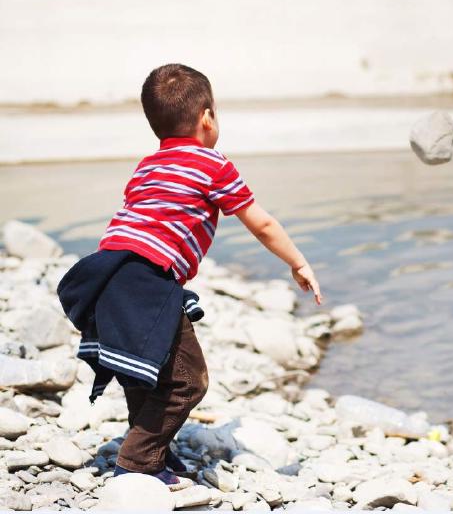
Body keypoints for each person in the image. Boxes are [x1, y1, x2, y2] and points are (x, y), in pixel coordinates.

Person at [57, 63, 321, 485]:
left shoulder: (147, 166)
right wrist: (298, 261)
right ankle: (137, 460)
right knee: (188, 380)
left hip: (108, 272)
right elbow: (262, 223)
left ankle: (153, 449)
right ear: (208, 117)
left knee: (144, 368)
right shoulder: (213, 165)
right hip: (146, 278)